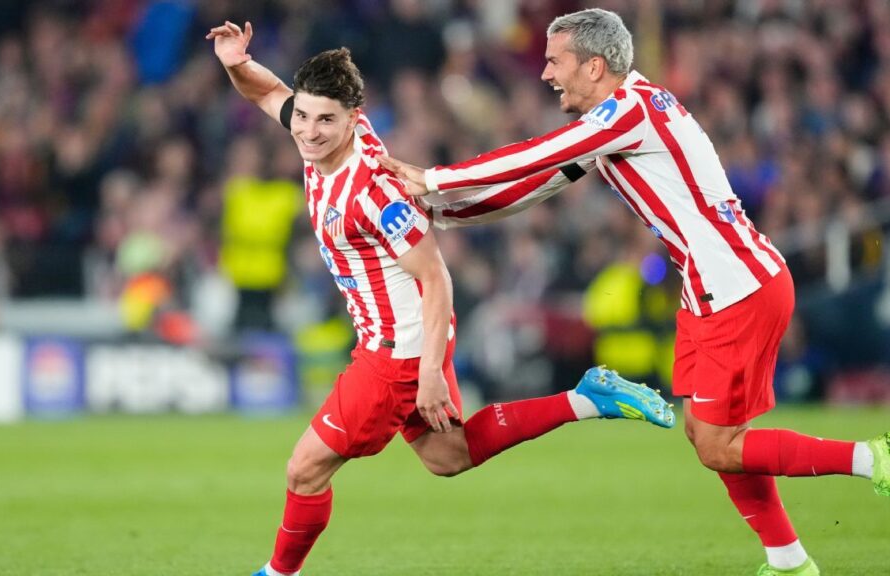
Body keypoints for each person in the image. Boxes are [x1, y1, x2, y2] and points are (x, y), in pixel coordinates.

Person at [381, 8, 890, 576]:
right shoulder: (618, 117)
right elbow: (534, 186)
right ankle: (787, 561)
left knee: (719, 444)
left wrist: (434, 178)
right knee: (709, 435)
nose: (546, 74)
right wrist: (439, 213)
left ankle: (872, 459)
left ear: (594, 66)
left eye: (555, 61)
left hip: (736, 287)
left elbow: (538, 153)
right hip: (714, 286)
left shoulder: (629, 110)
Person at [206, 20, 675, 576]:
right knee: (448, 456)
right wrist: (237, 62)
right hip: (406, 340)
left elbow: (436, 277)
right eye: (303, 117)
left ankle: (277, 574)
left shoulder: (373, 193)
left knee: (304, 470)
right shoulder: (317, 133)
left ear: (354, 120)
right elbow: (267, 92)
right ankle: (588, 399)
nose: (308, 132)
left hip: (397, 354)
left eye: (324, 120)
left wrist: (428, 372)